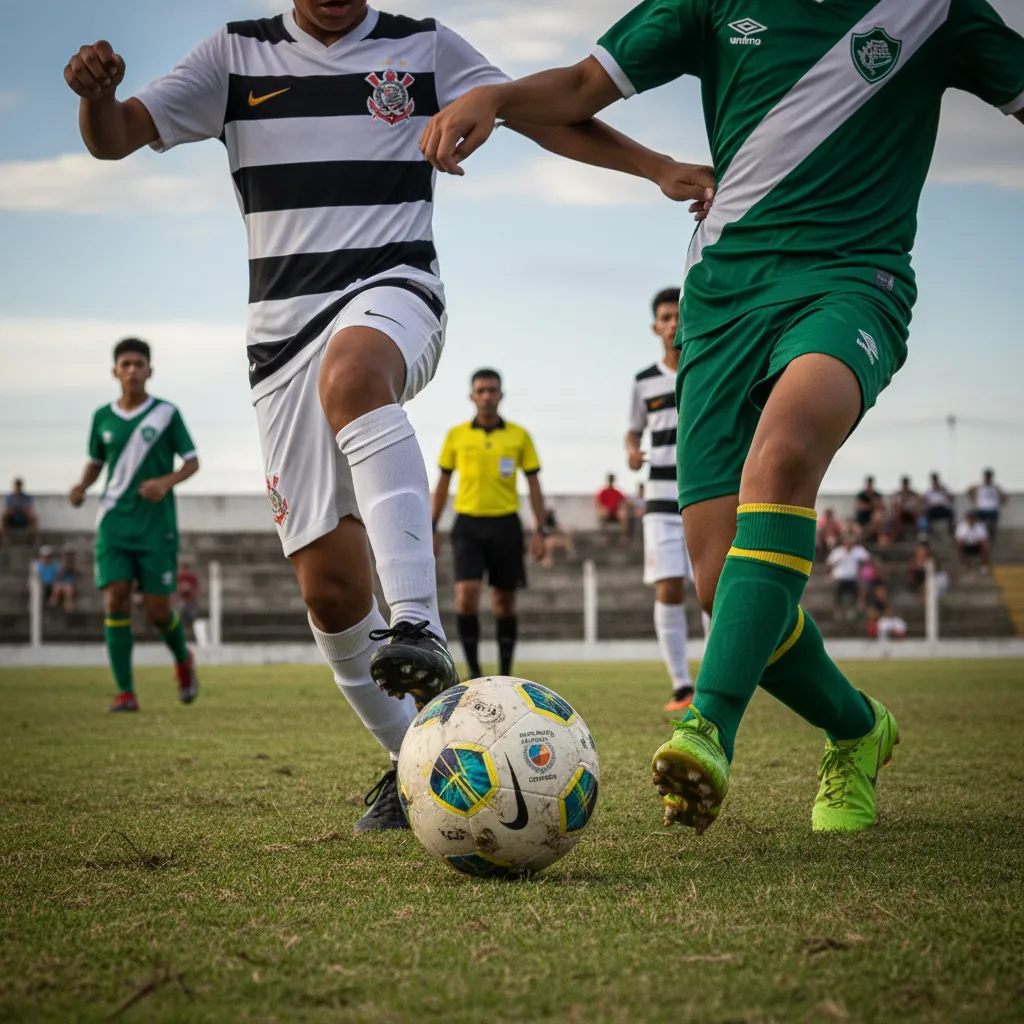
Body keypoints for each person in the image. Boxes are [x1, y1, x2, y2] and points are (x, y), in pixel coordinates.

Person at [64, 1, 715, 830]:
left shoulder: (424, 45)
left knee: (355, 372)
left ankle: (417, 622)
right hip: (277, 343)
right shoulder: (233, 55)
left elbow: (540, 116)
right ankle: (415, 767)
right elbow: (115, 134)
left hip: (394, 290)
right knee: (331, 591)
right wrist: (94, 95)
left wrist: (656, 166)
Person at [421, 0, 1024, 834]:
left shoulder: (935, 10)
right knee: (719, 581)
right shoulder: (712, 2)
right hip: (723, 300)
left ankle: (708, 727)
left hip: (852, 283)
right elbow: (584, 84)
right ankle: (858, 730)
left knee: (781, 459)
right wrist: (496, 97)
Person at [68, 338, 201, 712]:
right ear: (115, 371)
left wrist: (165, 482)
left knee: (159, 612)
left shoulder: (166, 414)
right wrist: (82, 485)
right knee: (115, 598)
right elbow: (96, 461)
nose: (131, 370)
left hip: (156, 527)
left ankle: (182, 659)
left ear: (149, 370)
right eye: (125, 364)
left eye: (138, 364)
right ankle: (126, 692)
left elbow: (192, 462)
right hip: (113, 523)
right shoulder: (102, 417)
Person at [432, 369, 547, 680]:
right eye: (480, 390)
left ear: (501, 395)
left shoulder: (519, 435)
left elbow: (534, 483)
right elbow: (442, 483)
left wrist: (541, 528)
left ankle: (506, 674)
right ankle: (474, 672)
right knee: (467, 594)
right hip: (467, 524)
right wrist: (431, 526)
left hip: (506, 525)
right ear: (472, 395)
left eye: (492, 390)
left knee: (504, 601)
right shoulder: (456, 435)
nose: (486, 396)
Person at [626, 287, 695, 712]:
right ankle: (682, 686)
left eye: (678, 316)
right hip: (661, 500)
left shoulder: (705, 365)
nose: (672, 323)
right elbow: (633, 431)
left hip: (704, 493)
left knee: (712, 589)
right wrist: (632, 451)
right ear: (655, 326)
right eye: (665, 317)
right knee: (669, 588)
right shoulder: (643, 380)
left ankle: (716, 683)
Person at [826, 535, 869, 622]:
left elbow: (867, 559)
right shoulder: (837, 552)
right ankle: (838, 610)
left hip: (852, 578)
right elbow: (829, 563)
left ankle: (852, 610)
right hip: (840, 578)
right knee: (837, 590)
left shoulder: (858, 552)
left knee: (858, 589)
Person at [969, 468, 1006, 541]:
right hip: (981, 508)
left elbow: (1003, 496)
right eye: (987, 477)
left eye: (989, 477)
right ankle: (979, 536)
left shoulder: (996, 487)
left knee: (993, 523)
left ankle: (991, 535)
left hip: (993, 508)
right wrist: (974, 498)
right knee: (978, 522)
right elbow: (969, 491)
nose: (988, 479)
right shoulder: (979, 486)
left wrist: (1000, 502)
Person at [595, 473, 630, 543]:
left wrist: (622, 509)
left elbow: (624, 501)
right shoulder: (602, 492)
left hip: (616, 513)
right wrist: (603, 509)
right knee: (603, 515)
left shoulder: (617, 492)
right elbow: (598, 503)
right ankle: (605, 536)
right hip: (607, 513)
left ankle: (623, 537)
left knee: (623, 515)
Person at [2, 479, 38, 545]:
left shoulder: (27, 497)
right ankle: (4, 537)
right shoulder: (10, 497)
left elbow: (28, 508)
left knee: (33, 516)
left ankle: (33, 537)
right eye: (16, 486)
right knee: (4, 515)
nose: (17, 488)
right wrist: (18, 509)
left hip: (24, 519)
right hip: (12, 519)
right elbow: (9, 509)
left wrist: (19, 509)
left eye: (19, 486)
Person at [890, 476, 921, 541]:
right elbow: (895, 505)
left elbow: (915, 506)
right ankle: (897, 534)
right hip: (901, 513)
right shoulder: (897, 495)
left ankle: (918, 533)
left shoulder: (913, 495)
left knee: (917, 515)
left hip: (910, 513)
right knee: (897, 515)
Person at [174, 558, 201, 634]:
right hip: (179, 600)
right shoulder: (176, 577)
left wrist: (190, 589)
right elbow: (173, 590)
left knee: (191, 612)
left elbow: (196, 589)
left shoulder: (192, 578)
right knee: (179, 610)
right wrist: (180, 589)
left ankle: (190, 628)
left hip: (190, 601)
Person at [49, 546, 78, 614]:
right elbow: (57, 577)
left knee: (68, 589)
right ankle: (53, 604)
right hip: (60, 584)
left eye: (70, 555)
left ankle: (68, 607)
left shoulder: (74, 566)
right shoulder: (58, 564)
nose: (68, 557)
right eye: (67, 555)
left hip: (69, 585)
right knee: (57, 587)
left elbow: (73, 579)